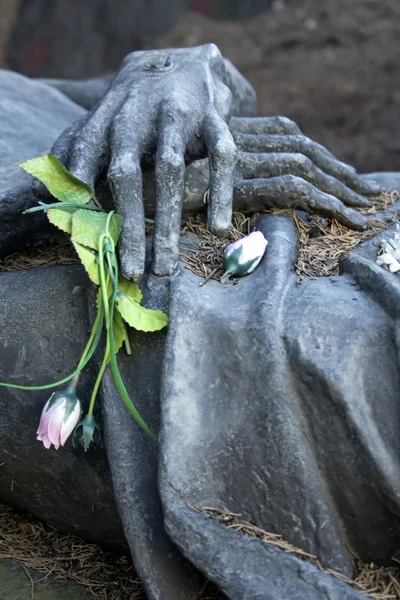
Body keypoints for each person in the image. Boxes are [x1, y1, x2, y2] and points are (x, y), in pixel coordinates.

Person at [0, 44, 399, 600]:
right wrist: (179, 74)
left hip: (283, 252)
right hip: (224, 302)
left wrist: (177, 75)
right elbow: (95, 160)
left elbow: (196, 108)